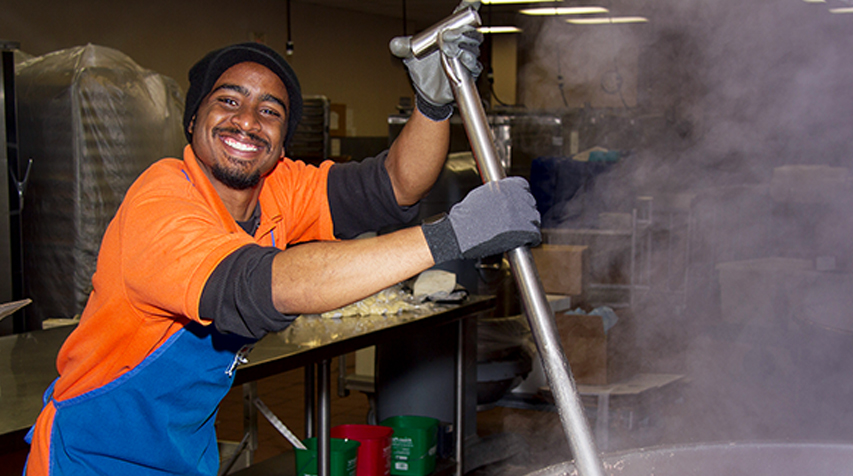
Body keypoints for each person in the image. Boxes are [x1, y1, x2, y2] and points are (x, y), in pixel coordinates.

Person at [22, 19, 540, 476]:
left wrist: (431, 105)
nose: (247, 121)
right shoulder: (161, 200)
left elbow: (395, 186)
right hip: (91, 458)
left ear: (283, 140)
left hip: (182, 456)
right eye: (228, 100)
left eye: (269, 111)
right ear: (191, 119)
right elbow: (264, 285)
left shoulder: (277, 189)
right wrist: (452, 236)